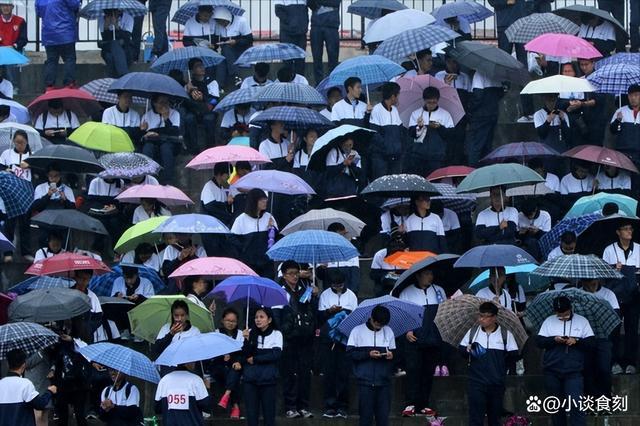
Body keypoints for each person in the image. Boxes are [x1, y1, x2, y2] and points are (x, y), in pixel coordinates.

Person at [536, 296, 595, 426]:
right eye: (559, 315)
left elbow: (591, 343)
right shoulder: (548, 321)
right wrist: (554, 340)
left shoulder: (582, 321)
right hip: (552, 370)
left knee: (576, 404)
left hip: (574, 371)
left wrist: (577, 341)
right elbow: (539, 342)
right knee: (556, 406)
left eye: (566, 314)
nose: (562, 317)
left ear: (571, 309)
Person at [460, 302, 518, 426]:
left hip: (496, 383)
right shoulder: (472, 332)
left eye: (486, 316)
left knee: (495, 418)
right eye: (480, 315)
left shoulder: (505, 334)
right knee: (475, 418)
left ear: (494, 317)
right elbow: (462, 351)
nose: (482, 319)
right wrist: (468, 349)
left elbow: (514, 355)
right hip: (476, 382)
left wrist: (501, 366)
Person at [399, 268, 446, 417]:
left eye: (431, 273)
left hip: (432, 337)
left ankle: (424, 404)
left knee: (428, 371)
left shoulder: (438, 290)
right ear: (418, 276)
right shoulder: (407, 292)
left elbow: (444, 311)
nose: (430, 277)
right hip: (415, 337)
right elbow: (403, 313)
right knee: (413, 370)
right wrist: (408, 330)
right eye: (426, 274)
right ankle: (410, 403)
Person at [275, 260, 318, 418]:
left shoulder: (304, 289)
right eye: (291, 274)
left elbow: (312, 311)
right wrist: (282, 337)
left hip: (305, 338)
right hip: (289, 339)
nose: (294, 276)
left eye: (296, 273)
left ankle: (304, 406)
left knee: (305, 374)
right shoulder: (280, 292)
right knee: (290, 374)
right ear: (284, 275)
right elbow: (276, 317)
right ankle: (290, 406)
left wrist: (314, 296)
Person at [317, 268, 357, 419]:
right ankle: (329, 405)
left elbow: (355, 316)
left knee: (343, 374)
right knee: (329, 374)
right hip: (329, 339)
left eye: (340, 285)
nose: (338, 288)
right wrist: (330, 311)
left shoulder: (351, 296)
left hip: (345, 339)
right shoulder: (326, 295)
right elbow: (320, 317)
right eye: (335, 285)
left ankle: (342, 406)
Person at [347, 305, 396, 426]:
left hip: (384, 381)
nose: (379, 327)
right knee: (365, 418)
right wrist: (367, 354)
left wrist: (391, 356)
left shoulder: (389, 331)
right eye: (378, 324)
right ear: (371, 319)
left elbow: (396, 354)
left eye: (382, 325)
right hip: (364, 381)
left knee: (383, 419)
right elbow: (350, 354)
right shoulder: (357, 331)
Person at [602, 219, 640, 375]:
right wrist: (613, 268)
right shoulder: (609, 250)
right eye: (625, 229)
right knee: (614, 330)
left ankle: (631, 362)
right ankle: (614, 362)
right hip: (615, 295)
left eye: (630, 229)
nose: (629, 231)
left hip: (634, 295)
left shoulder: (638, 248)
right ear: (618, 232)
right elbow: (602, 271)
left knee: (632, 329)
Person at [242, 307, 283, 426]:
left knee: (269, 414)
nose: (258, 320)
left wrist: (256, 359)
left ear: (269, 319)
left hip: (268, 378)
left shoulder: (277, 334)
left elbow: (275, 355)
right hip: (251, 379)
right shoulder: (249, 332)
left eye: (261, 317)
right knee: (251, 414)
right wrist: (246, 341)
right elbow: (245, 356)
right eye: (256, 317)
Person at [580, 278, 619, 399]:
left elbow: (616, 317)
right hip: (585, 338)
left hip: (603, 337)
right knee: (587, 370)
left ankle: (606, 398)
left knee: (603, 369)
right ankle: (590, 399)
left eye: (593, 282)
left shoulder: (608, 294)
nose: (590, 285)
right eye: (587, 282)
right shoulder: (578, 294)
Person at [0, 349, 57, 426]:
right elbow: (39, 404)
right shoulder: (25, 384)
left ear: (8, 364)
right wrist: (49, 392)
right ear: (23, 365)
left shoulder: (1, 383)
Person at [406, 87, 454, 176]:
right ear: (424, 100)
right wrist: (419, 126)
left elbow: (450, 135)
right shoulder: (416, 113)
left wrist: (439, 127)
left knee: (435, 181)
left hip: (437, 156)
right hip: (418, 156)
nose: (432, 105)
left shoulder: (445, 114)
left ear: (438, 100)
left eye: (434, 102)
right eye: (429, 102)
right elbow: (411, 134)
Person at [230, 188, 277, 278]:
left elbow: (276, 238)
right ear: (253, 201)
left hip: (266, 263)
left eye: (265, 199)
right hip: (249, 264)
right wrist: (245, 248)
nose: (265, 202)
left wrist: (272, 228)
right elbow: (232, 239)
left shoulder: (269, 217)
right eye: (261, 200)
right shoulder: (241, 219)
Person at [35, 0, 80, 89]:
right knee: (69, 58)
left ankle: (49, 85)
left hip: (49, 35)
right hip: (66, 32)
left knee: (51, 60)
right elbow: (75, 5)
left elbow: (39, 13)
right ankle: (69, 83)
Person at [152, 300, 202, 376]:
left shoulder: (194, 331)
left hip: (187, 366)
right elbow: (157, 348)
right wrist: (170, 334)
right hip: (168, 366)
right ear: (172, 315)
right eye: (176, 315)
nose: (179, 319)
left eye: (182, 315)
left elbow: (198, 351)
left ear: (187, 315)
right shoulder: (166, 328)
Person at [465, 71, 504, 166]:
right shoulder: (496, 74)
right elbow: (500, 93)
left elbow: (478, 96)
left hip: (480, 115)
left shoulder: (479, 74)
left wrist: (469, 108)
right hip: (493, 113)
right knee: (487, 146)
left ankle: (472, 171)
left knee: (475, 146)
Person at [140, 94, 181, 184]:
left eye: (166, 102)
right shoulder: (147, 116)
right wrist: (144, 132)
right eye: (161, 102)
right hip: (152, 142)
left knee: (166, 149)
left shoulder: (174, 113)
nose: (164, 105)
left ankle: (167, 180)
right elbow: (142, 136)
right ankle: (147, 178)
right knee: (147, 148)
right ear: (154, 103)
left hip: (168, 142)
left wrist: (166, 119)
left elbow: (175, 132)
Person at [154, 361, 211, 425]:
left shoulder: (163, 381)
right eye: (193, 362)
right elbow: (205, 404)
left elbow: (157, 408)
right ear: (187, 363)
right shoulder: (196, 379)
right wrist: (207, 388)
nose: (194, 364)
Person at [369, 82, 406, 179]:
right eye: (398, 95)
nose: (398, 98)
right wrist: (387, 148)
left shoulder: (394, 110)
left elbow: (400, 131)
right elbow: (374, 134)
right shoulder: (377, 109)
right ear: (393, 96)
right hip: (381, 158)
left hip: (396, 157)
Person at [212, 307, 243, 419]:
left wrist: (236, 360)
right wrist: (222, 356)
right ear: (222, 320)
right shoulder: (216, 333)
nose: (230, 323)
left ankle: (226, 395)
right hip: (219, 366)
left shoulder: (240, 334)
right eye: (228, 320)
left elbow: (242, 352)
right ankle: (235, 405)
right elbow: (212, 352)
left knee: (235, 369)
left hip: (234, 364)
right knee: (229, 372)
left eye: (233, 321)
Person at [210, 7, 253, 88]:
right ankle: (224, 83)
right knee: (221, 58)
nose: (220, 24)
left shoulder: (241, 21)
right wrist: (213, 45)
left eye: (222, 21)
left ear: (226, 18)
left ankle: (223, 84)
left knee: (226, 49)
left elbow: (249, 40)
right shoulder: (218, 25)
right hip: (227, 53)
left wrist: (236, 42)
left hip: (241, 51)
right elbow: (216, 41)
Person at [183, 58, 219, 153]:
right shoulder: (189, 84)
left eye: (202, 65)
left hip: (208, 109)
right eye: (197, 66)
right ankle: (193, 148)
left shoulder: (212, 82)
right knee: (189, 119)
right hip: (194, 110)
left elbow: (215, 101)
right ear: (192, 70)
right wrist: (188, 90)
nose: (202, 68)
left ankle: (211, 148)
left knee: (209, 119)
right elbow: (185, 102)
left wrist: (203, 98)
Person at [309, 0, 340, 85]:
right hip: (316, 25)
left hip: (332, 25)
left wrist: (320, 2)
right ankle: (319, 83)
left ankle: (333, 83)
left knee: (333, 57)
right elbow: (310, 3)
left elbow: (335, 2)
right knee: (317, 57)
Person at [610, 84, 640, 170]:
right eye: (630, 95)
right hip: (623, 153)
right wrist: (618, 120)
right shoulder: (621, 111)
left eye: (636, 95)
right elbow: (613, 131)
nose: (633, 98)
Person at [324, 222, 360, 294]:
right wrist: (322, 268)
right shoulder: (324, 250)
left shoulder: (351, 249)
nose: (344, 236)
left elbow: (355, 274)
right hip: (329, 292)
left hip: (347, 291)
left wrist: (353, 292)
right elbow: (321, 276)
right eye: (342, 234)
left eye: (345, 234)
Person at [275, 0, 308, 75]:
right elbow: (278, 11)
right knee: (287, 60)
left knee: (300, 60)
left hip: (301, 32)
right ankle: (288, 82)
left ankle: (300, 83)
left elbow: (308, 9)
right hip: (287, 33)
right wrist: (292, 23)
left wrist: (304, 25)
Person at [98, 9, 133, 78]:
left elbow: (127, 39)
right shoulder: (103, 19)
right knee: (113, 44)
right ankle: (123, 75)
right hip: (108, 46)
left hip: (124, 49)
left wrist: (117, 27)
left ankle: (112, 80)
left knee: (110, 57)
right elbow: (105, 39)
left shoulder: (128, 18)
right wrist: (106, 28)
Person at [0, 1, 27, 86]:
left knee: (10, 64)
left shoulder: (20, 21)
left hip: (13, 51)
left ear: (12, 7)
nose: (6, 8)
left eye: (8, 5)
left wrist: (13, 46)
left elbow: (23, 40)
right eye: (3, 5)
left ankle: (13, 87)